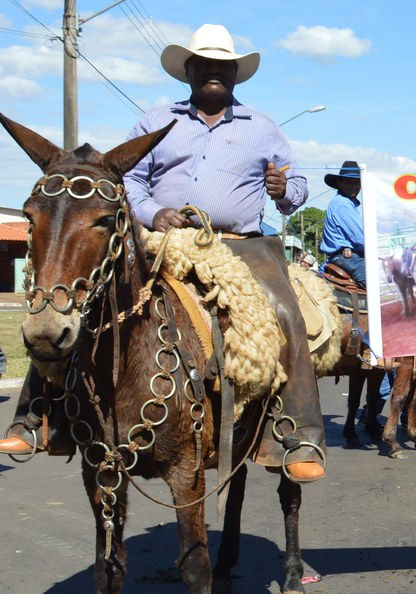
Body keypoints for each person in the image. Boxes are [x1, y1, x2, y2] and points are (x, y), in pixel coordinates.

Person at [29, 22, 323, 481]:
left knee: (285, 308)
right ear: (188, 71)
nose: (213, 72)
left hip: (239, 244)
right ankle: (39, 416)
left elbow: (297, 188)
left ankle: (297, 433)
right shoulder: (154, 121)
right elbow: (129, 181)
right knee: (83, 299)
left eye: (222, 66)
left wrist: (285, 189)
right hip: (162, 239)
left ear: (234, 75)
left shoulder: (263, 127)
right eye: (203, 63)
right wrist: (153, 212)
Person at [320, 160, 367, 288]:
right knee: (381, 288)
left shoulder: (343, 203)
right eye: (348, 182)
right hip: (348, 258)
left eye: (356, 182)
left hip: (345, 257)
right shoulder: (343, 204)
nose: (353, 186)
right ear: (340, 183)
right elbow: (362, 239)